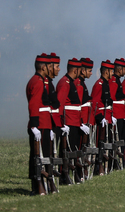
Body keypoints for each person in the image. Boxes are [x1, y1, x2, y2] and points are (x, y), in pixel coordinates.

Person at [26, 53, 55, 195]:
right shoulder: (37, 81)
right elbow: (34, 104)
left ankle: (40, 185)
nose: (51, 69)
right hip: (40, 124)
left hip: (44, 123)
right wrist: (35, 126)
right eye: (49, 66)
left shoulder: (39, 80)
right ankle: (37, 186)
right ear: (43, 67)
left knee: (41, 156)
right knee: (38, 157)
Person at [56, 58, 86, 184]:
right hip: (68, 122)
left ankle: (71, 174)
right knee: (66, 150)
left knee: (73, 150)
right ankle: (63, 174)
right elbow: (60, 105)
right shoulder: (65, 83)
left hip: (75, 121)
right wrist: (61, 124)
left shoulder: (71, 82)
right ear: (75, 70)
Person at [91, 60, 114, 175]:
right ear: (106, 72)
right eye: (111, 71)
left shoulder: (106, 83)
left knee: (107, 142)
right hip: (102, 117)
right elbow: (94, 103)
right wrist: (99, 118)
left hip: (108, 116)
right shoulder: (99, 84)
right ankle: (98, 165)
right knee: (100, 143)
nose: (112, 73)